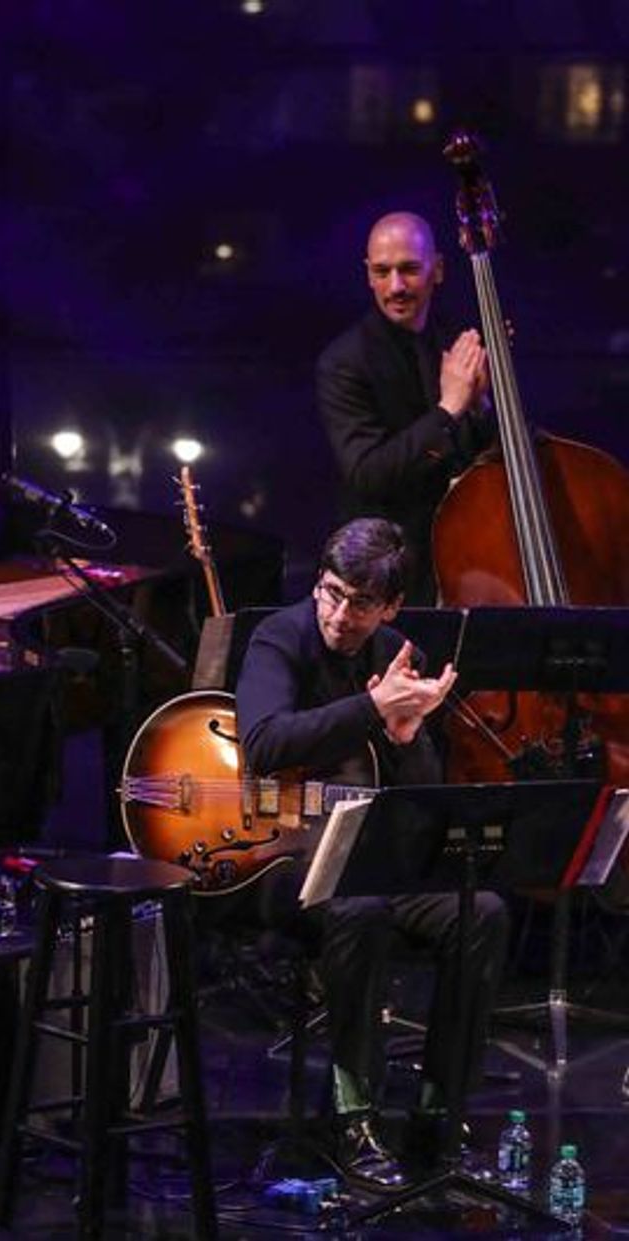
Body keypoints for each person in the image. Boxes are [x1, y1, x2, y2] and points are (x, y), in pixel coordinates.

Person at [235, 518, 509, 1191]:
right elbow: (264, 743)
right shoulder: (283, 635)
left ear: (390, 605)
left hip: (372, 856)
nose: (339, 613)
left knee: (483, 911)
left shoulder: (392, 648)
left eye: (360, 602)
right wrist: (371, 704)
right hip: (280, 861)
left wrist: (409, 732)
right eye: (331, 592)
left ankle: (438, 1113)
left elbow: (418, 799)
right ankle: (354, 1118)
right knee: (356, 910)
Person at [317, 211, 496, 604]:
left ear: (439, 269)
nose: (395, 286)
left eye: (409, 269)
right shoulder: (344, 362)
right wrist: (450, 408)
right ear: (368, 275)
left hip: (465, 559)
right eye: (382, 272)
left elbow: (479, 457)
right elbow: (369, 474)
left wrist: (480, 404)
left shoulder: (453, 341)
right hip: (386, 580)